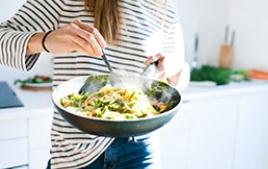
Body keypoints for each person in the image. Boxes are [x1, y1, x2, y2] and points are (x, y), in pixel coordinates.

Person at [0, 0, 190, 168]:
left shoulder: (165, 8)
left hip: (140, 149)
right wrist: (45, 40)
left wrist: (177, 68)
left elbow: (177, 81)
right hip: (74, 152)